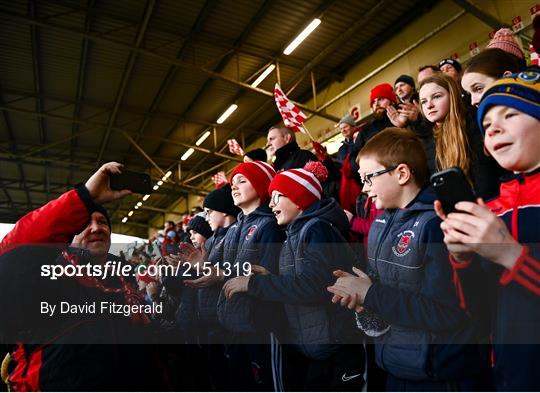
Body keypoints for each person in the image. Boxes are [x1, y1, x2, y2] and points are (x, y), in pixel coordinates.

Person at [328, 128, 492, 391]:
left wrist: (371, 293)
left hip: (438, 373)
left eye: (369, 178)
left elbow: (445, 312)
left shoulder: (434, 224)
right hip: (396, 366)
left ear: (402, 173)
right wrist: (363, 301)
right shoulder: (380, 223)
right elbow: (384, 295)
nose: (364, 189)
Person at [0, 162, 165, 391]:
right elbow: (13, 252)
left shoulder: (125, 283)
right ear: (69, 232)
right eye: (86, 223)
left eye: (102, 222)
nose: (96, 228)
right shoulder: (46, 276)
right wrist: (85, 197)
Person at [435, 70, 540, 391]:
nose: (493, 127)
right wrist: (462, 258)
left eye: (511, 113)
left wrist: (511, 255)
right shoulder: (493, 210)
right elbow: (478, 312)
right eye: (486, 123)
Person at [223, 161, 365, 391]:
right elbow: (304, 278)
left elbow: (315, 286)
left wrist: (256, 283)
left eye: (278, 197)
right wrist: (270, 276)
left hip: (336, 348)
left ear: (299, 198)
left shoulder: (317, 229)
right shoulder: (295, 233)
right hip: (314, 345)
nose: (271, 204)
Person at [187, 160, 285, 391]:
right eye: (232, 183)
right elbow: (226, 268)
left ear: (260, 185)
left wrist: (220, 274)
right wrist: (203, 266)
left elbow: (266, 272)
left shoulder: (268, 225)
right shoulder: (235, 229)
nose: (234, 186)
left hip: (259, 326)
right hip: (233, 322)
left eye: (242, 180)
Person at [418, 73, 506, 199]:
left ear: (453, 96)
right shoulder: (428, 140)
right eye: (424, 101)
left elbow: (487, 179)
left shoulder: (475, 123)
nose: (429, 105)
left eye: (436, 97)